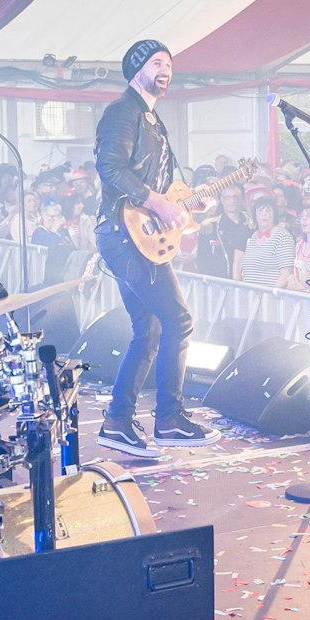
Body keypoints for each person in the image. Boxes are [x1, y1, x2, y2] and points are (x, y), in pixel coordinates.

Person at [92, 38, 220, 458]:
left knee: (148, 330)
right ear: (136, 69)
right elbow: (111, 167)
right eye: (157, 62)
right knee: (178, 320)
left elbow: (157, 183)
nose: (166, 70)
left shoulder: (151, 119)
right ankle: (169, 418)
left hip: (133, 233)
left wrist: (186, 201)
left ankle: (117, 421)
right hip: (124, 234)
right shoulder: (122, 112)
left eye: (170, 64)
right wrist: (158, 202)